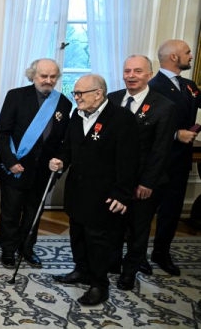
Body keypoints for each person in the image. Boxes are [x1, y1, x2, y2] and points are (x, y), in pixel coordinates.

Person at [49, 74, 138, 306]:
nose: (76, 97)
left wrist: (122, 193)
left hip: (104, 194)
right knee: (77, 233)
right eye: (75, 93)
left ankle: (100, 284)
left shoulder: (121, 118)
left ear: (98, 93)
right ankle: (81, 270)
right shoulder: (76, 116)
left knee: (97, 240)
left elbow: (128, 160)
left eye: (80, 93)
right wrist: (60, 160)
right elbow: (67, 147)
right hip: (77, 190)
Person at [107, 55, 175, 290]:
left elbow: (161, 150)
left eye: (137, 71)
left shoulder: (164, 106)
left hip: (143, 183)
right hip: (115, 181)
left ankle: (129, 272)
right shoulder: (112, 99)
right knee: (113, 226)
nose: (131, 76)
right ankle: (112, 263)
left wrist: (146, 183)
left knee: (137, 230)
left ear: (149, 74)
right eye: (127, 71)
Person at [0, 58, 72, 268]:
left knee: (34, 213)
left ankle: (27, 248)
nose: (48, 80)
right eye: (43, 76)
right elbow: (2, 133)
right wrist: (10, 161)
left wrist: (60, 162)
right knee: (11, 212)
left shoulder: (64, 103)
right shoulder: (16, 96)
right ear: (33, 75)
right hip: (16, 167)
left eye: (53, 76)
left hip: (44, 172)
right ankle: (9, 250)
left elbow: (65, 141)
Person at [146, 39, 200, 275]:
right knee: (145, 212)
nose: (191, 56)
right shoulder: (152, 86)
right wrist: (177, 134)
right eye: (187, 53)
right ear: (174, 58)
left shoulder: (189, 85)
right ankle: (136, 256)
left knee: (172, 211)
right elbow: (144, 126)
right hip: (158, 161)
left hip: (180, 162)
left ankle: (161, 252)